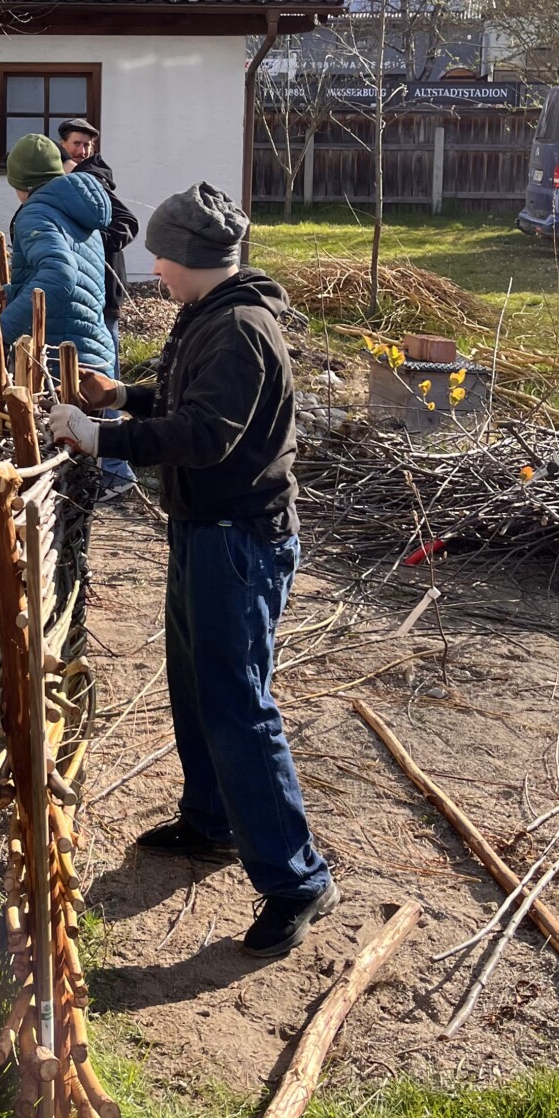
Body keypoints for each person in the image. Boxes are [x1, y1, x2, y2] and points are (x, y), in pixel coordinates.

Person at [44, 181, 337, 961]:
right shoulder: (211, 313)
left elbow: (207, 433)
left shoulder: (240, 327)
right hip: (208, 529)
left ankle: (297, 879)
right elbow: (188, 401)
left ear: (191, 258)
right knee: (197, 682)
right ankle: (210, 822)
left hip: (239, 539)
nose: (156, 272)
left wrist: (98, 437)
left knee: (239, 703)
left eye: (162, 259)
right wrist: (126, 398)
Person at [56, 117, 139, 490]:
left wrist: (96, 245)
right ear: (62, 144)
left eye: (87, 144)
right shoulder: (68, 180)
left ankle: (117, 473)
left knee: (106, 382)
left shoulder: (94, 179)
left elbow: (127, 221)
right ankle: (99, 465)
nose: (82, 150)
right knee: (91, 381)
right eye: (76, 143)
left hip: (103, 294)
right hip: (90, 295)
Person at [0, 133, 115, 380]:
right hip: (95, 357)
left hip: (61, 365)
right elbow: (52, 286)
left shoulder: (35, 214)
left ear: (22, 183)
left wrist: (1, 332)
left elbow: (59, 275)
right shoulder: (76, 212)